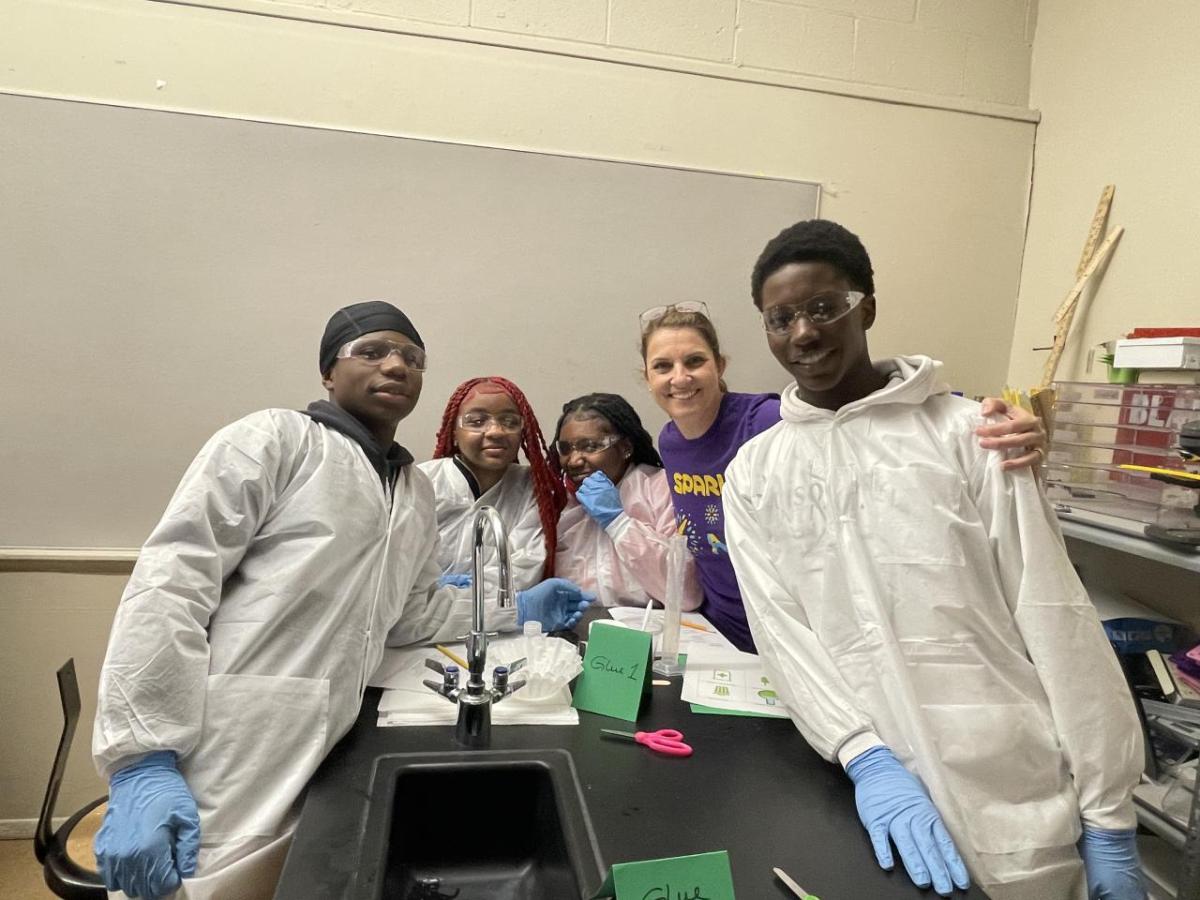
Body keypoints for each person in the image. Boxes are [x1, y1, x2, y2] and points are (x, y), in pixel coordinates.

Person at [91, 302, 592, 900]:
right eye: (373, 351)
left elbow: (412, 614)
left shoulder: (410, 489)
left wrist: (517, 609)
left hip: (330, 742)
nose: (397, 365)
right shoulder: (274, 439)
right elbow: (171, 583)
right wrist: (143, 758)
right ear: (329, 370)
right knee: (188, 881)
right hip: (229, 736)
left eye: (412, 356)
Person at [723, 220, 1144, 900]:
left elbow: (1053, 612)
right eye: (781, 319)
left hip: (1017, 793)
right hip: (875, 800)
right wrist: (864, 756)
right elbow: (782, 634)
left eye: (823, 307)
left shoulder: (971, 434)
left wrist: (1109, 813)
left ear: (868, 307)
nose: (802, 333)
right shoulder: (754, 472)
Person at [639, 304, 1048, 653]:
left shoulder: (766, 421)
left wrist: (987, 420)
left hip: (800, 638)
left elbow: (873, 416)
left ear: (719, 365)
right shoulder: (670, 443)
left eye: (694, 361)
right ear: (647, 378)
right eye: (663, 367)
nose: (680, 378)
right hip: (720, 637)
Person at [419, 376, 576, 608]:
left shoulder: (535, 489)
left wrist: (457, 593)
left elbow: (525, 567)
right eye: (476, 421)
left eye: (509, 421)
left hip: (503, 623)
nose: (495, 431)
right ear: (453, 431)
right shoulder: (422, 482)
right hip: (420, 622)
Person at [552, 392, 702, 609]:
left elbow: (686, 595)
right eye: (565, 449)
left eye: (590, 446)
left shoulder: (662, 489)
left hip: (647, 631)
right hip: (577, 629)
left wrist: (619, 523)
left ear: (625, 448)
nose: (574, 460)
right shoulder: (559, 502)